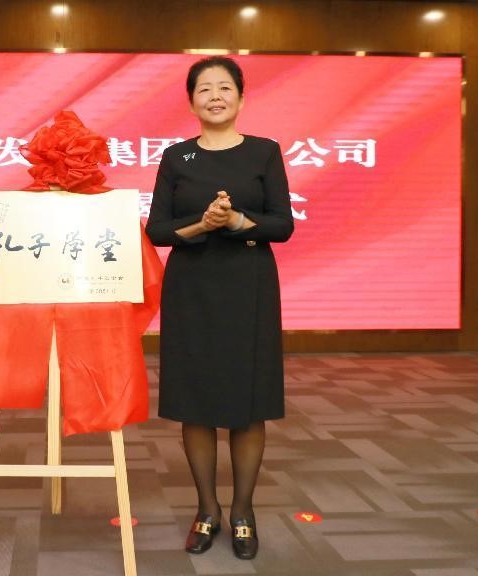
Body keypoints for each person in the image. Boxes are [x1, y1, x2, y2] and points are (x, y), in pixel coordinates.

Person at [145, 56, 293, 560]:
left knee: (249, 403)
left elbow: (282, 224)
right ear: (191, 102)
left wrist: (237, 222)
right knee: (197, 401)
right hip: (192, 287)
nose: (215, 95)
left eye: (225, 87)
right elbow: (157, 230)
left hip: (249, 285)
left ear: (241, 98)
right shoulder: (176, 157)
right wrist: (203, 225)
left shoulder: (264, 152)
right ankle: (206, 510)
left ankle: (243, 511)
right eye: (204, 88)